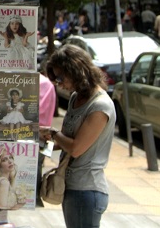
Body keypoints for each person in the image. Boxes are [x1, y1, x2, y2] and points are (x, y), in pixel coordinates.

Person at [41, 44, 115, 228]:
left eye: (60, 78)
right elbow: (66, 140)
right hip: (72, 185)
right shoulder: (76, 97)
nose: (59, 84)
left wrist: (52, 133)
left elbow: (76, 148)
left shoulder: (100, 105)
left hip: (87, 189)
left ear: (76, 71)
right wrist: (41, 143)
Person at [36, 71, 58, 206]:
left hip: (20, 133)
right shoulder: (47, 84)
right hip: (44, 137)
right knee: (37, 166)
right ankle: (36, 198)